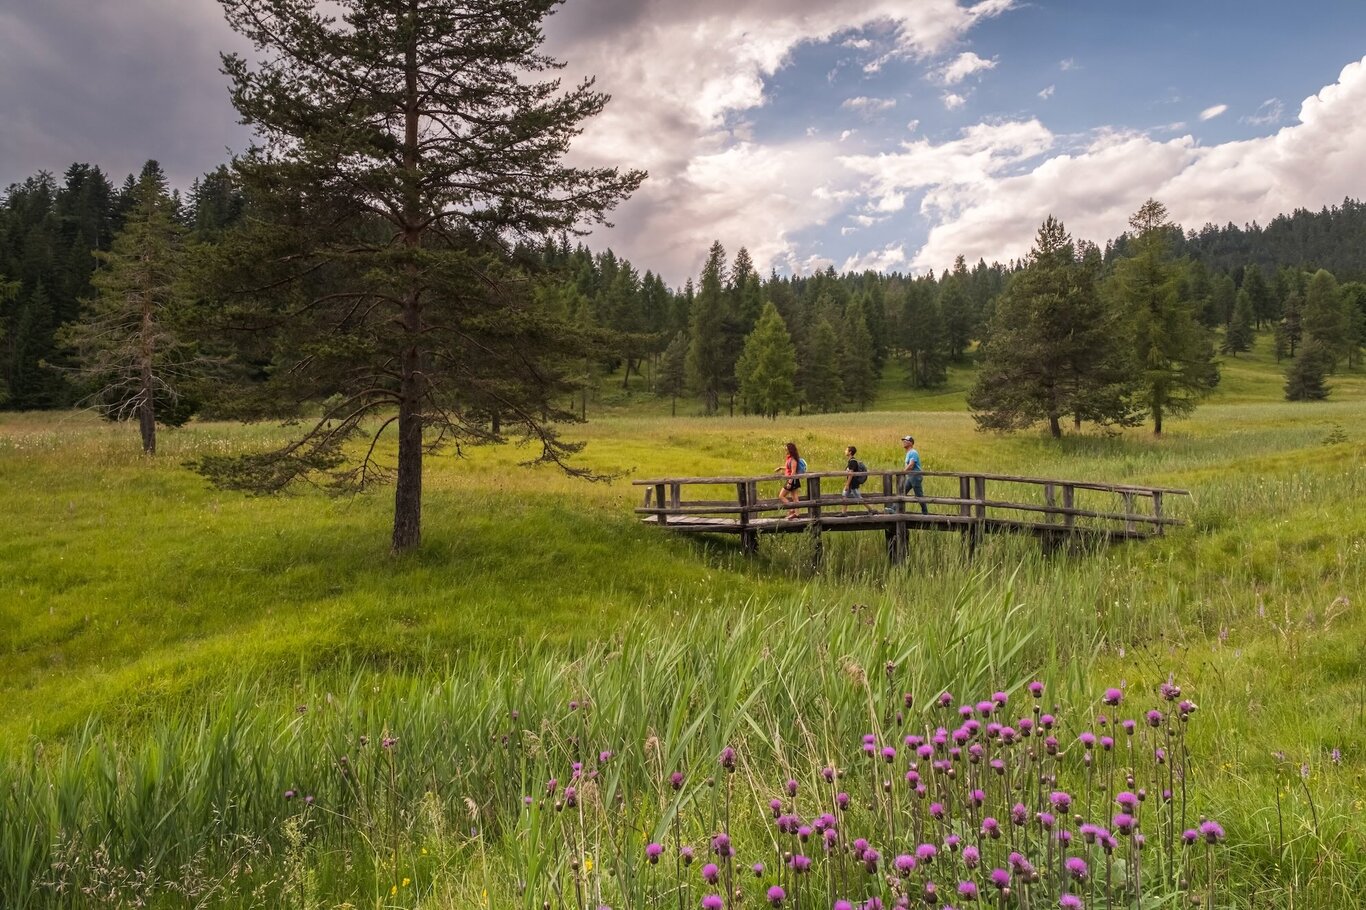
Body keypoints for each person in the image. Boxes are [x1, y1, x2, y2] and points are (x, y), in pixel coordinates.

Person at [895, 434, 929, 514]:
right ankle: (894, 508)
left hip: (915, 476)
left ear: (911, 443)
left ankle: (925, 513)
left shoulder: (913, 452)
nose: (904, 442)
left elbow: (911, 465)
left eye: (906, 441)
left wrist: (903, 472)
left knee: (919, 495)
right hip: (911, 476)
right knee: (903, 492)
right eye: (903, 441)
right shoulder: (909, 453)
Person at [841, 445, 875, 514]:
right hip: (850, 483)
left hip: (853, 483)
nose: (845, 451)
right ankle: (843, 513)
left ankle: (871, 510)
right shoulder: (850, 461)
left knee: (859, 498)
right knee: (844, 497)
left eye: (846, 450)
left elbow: (851, 474)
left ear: (850, 452)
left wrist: (847, 484)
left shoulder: (852, 462)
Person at [774, 441, 804, 520]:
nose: (785, 450)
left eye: (786, 448)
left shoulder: (793, 459)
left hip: (792, 480)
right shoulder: (790, 458)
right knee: (794, 497)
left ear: (790, 449)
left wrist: (790, 482)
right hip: (792, 480)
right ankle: (796, 514)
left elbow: (793, 471)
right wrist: (781, 468)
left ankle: (792, 509)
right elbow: (789, 467)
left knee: (781, 496)